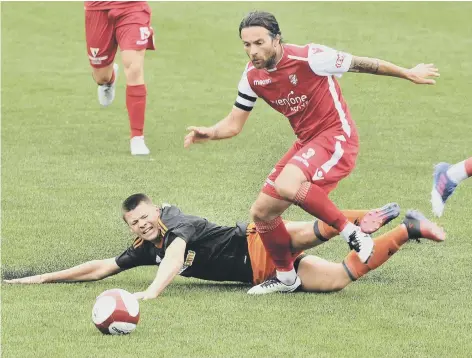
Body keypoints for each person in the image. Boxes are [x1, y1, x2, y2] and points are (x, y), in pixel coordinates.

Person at [184, 11, 440, 294]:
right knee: (262, 213)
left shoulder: (310, 57)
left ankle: (353, 233)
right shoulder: (252, 77)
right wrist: (210, 132)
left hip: (336, 136)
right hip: (307, 142)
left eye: (259, 43)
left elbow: (363, 64)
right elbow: (233, 123)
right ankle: (285, 278)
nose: (253, 51)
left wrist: (407, 73)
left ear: (277, 38)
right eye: (247, 45)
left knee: (287, 184)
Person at [4, 194, 445, 300]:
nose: (142, 223)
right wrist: (40, 276)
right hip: (262, 275)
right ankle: (407, 229)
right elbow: (101, 267)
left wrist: (150, 293)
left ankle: (366, 217)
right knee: (338, 279)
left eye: (145, 215)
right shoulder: (144, 247)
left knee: (317, 231)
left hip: (257, 243)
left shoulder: (176, 221)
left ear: (156, 210)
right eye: (134, 222)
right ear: (131, 226)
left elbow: (176, 256)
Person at [84, 1, 154, 155]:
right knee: (101, 76)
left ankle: (137, 137)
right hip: (98, 7)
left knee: (134, 68)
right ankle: (109, 80)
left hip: (132, 6)